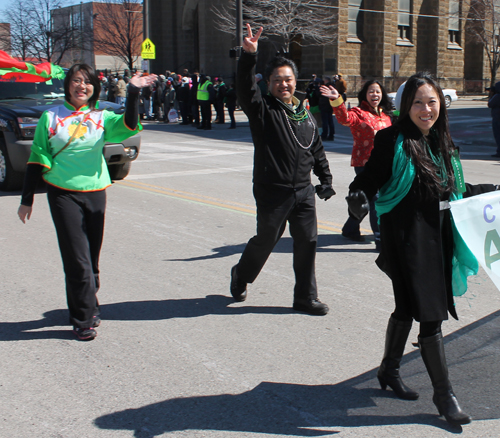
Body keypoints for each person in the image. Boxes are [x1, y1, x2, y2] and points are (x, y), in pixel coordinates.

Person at [343, 72, 498, 425]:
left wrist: (493, 188)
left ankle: (388, 370)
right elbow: (368, 179)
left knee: (406, 308)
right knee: (430, 315)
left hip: (439, 236)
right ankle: (445, 397)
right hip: (406, 241)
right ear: (405, 106)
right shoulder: (392, 140)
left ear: (440, 104)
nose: (426, 109)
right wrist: (358, 197)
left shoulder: (442, 140)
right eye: (417, 102)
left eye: (431, 101)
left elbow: (454, 189)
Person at [17, 64, 157, 341]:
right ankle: (82, 320)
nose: (82, 86)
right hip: (62, 193)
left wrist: (132, 92)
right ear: (68, 85)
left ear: (95, 87)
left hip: (95, 192)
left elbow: (129, 124)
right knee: (78, 260)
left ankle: (88, 303)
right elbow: (37, 158)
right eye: (77, 81)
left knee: (90, 261)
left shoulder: (101, 116)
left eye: (88, 82)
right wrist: (27, 199)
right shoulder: (51, 116)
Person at [230, 24, 335, 315]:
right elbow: (244, 88)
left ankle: (305, 297)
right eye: (278, 80)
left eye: (288, 79)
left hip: (303, 192)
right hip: (272, 191)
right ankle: (241, 274)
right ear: (270, 83)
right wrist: (249, 56)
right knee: (266, 240)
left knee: (307, 243)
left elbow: (315, 147)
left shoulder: (304, 113)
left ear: (294, 80)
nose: (284, 85)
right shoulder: (262, 110)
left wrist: (325, 179)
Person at [321, 79, 392, 249]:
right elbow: (344, 119)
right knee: (375, 198)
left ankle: (350, 229)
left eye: (378, 91)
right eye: (371, 91)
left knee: (364, 198)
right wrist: (337, 100)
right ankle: (380, 237)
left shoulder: (386, 115)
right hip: (365, 163)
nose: (375, 94)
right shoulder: (358, 112)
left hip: (385, 164)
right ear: (365, 95)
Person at [488, 81, 500, 157]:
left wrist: (491, 96)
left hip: (497, 118)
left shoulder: (497, 96)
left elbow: (490, 104)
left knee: (498, 135)